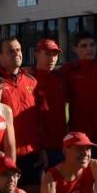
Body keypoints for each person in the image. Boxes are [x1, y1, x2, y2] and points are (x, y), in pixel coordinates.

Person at [59, 31, 97, 164]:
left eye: (92, 45)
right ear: (75, 49)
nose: (89, 49)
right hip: (80, 137)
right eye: (84, 46)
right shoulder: (67, 71)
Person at [0, 37, 43, 190]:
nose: (16, 53)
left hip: (31, 153)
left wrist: (42, 149)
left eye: (18, 49)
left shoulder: (31, 82)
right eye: (10, 51)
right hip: (4, 154)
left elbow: (39, 119)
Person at [29, 38, 68, 168]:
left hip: (60, 143)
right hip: (38, 145)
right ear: (36, 55)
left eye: (55, 54)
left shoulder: (60, 79)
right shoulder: (28, 78)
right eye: (47, 54)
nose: (51, 59)